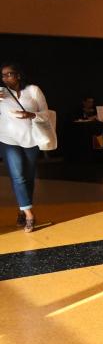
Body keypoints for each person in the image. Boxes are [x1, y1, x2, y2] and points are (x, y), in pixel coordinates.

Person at [0, 62, 49, 233]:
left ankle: (22, 209)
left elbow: (46, 114)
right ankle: (29, 215)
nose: (5, 78)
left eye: (9, 74)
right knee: (17, 177)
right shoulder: (1, 93)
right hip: (7, 140)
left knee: (28, 178)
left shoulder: (33, 91)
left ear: (18, 75)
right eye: (3, 75)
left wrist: (32, 114)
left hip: (31, 140)